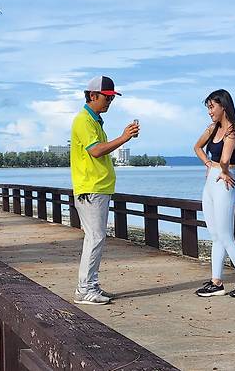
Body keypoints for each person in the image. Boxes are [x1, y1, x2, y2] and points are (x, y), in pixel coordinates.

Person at [70, 75, 140, 305]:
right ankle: (85, 288)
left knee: (95, 237)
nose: (109, 102)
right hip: (91, 188)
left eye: (112, 98)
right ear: (92, 95)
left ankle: (90, 284)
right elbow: (96, 151)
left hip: (98, 187)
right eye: (106, 97)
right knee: (95, 237)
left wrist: (122, 137)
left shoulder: (95, 121)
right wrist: (124, 137)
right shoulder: (84, 120)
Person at [193, 89, 235, 298]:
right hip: (211, 183)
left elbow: (226, 159)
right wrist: (207, 163)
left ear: (223, 106)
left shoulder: (233, 131)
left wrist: (224, 171)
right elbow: (197, 147)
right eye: (208, 108)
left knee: (226, 236)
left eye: (212, 107)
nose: (209, 111)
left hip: (224, 183)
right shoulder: (213, 128)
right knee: (215, 236)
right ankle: (216, 282)